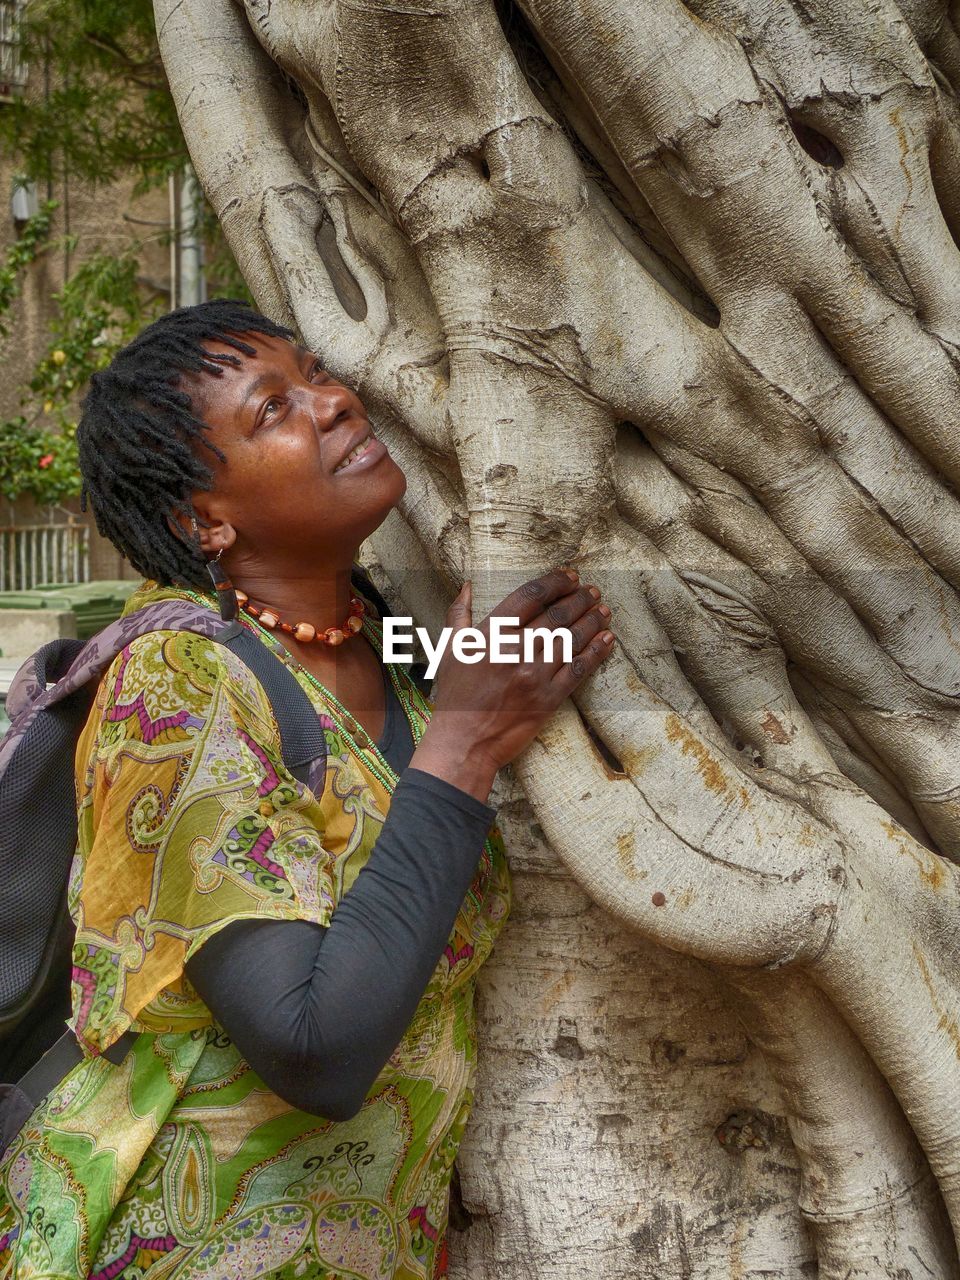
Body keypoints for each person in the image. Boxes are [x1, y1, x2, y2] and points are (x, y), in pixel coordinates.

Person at [0, 299, 615, 1280]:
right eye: (272, 408)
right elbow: (313, 1044)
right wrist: (465, 739)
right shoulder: (179, 680)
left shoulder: (400, 654)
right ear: (203, 517)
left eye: (318, 373)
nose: (332, 403)